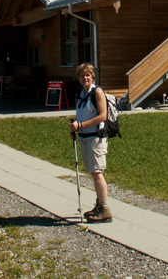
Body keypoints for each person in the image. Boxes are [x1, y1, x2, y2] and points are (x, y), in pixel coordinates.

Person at [69, 63, 112, 223]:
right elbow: (81, 115)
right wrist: (76, 129)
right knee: (93, 172)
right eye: (82, 75)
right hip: (84, 137)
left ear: (92, 76)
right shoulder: (81, 94)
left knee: (97, 172)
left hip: (96, 137)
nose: (85, 78)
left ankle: (105, 209)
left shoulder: (97, 92)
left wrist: (81, 125)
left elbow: (102, 116)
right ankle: (99, 205)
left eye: (87, 75)